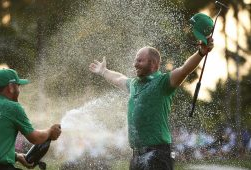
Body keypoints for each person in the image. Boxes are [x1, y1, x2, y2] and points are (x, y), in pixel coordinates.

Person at [89, 20, 214, 170]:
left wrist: (201, 53)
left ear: (154, 64)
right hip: (137, 155)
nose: (135, 64)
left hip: (158, 154)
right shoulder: (134, 84)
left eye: (140, 61)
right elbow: (118, 78)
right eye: (135, 60)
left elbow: (184, 69)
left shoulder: (163, 83)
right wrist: (104, 71)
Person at [0, 68, 61, 170]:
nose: (19, 90)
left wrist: (16, 156)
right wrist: (50, 131)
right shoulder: (12, 107)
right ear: (11, 87)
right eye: (18, 86)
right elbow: (35, 138)